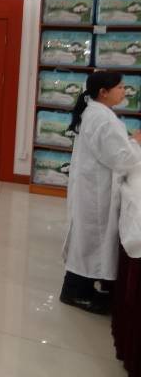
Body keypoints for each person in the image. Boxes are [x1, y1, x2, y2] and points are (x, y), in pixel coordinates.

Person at [60, 70, 141, 314]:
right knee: (91, 241)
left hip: (93, 186)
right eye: (120, 87)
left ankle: (81, 288)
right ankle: (76, 293)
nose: (124, 91)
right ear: (103, 92)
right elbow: (122, 158)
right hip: (97, 190)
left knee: (87, 241)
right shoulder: (102, 118)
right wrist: (136, 142)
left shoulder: (97, 112)